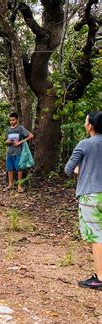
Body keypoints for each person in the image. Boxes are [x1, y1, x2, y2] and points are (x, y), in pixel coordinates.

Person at [65, 111, 102, 291]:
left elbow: (68, 169)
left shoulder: (85, 144)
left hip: (91, 196)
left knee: (96, 235)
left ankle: (100, 278)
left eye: (86, 121)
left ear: (91, 126)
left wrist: (81, 170)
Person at [4, 112, 34, 193]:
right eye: (10, 120)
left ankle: (19, 186)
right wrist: (8, 141)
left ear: (17, 120)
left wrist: (20, 142)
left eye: (13, 120)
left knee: (19, 169)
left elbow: (31, 135)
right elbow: (5, 141)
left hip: (18, 152)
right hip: (9, 152)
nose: (12, 122)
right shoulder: (8, 129)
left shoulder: (20, 128)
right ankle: (10, 185)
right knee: (9, 169)